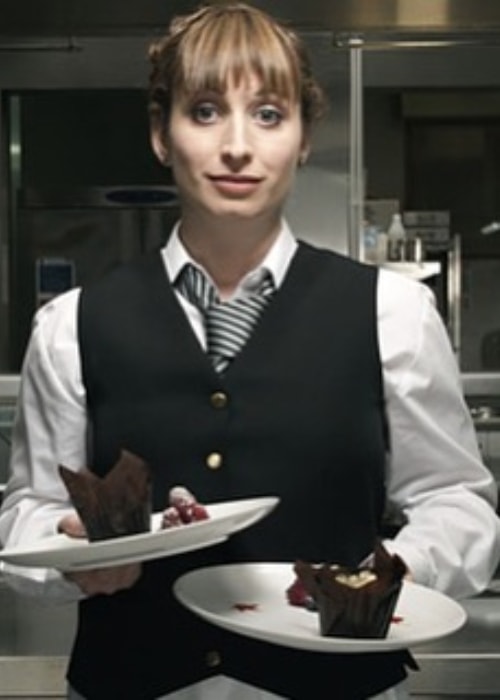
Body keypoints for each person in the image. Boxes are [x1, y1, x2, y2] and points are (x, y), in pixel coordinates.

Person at [0, 3, 499, 699]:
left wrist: (398, 572)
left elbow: (457, 500)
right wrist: (70, 552)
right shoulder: (70, 324)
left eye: (268, 114)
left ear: (301, 138)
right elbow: (25, 511)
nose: (238, 145)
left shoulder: (394, 313)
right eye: (205, 111)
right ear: (160, 133)